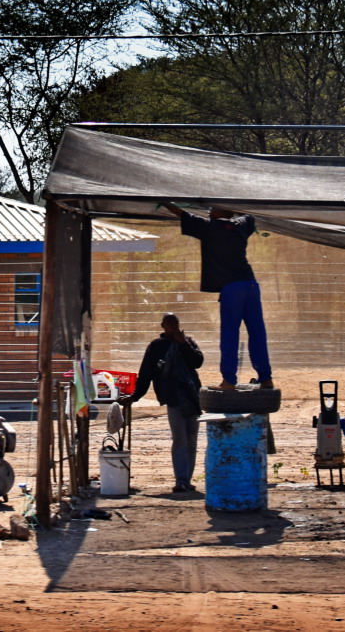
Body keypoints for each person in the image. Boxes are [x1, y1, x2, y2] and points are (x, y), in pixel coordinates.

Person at [163, 203, 272, 390]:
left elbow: (182, 213)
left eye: (214, 207)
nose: (209, 209)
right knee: (257, 333)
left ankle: (229, 381)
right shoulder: (241, 225)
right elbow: (248, 215)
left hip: (232, 289)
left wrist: (165, 202)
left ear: (223, 211)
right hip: (251, 285)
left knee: (230, 335)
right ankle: (266, 379)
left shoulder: (208, 227)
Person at [124, 313, 204, 492]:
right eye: (169, 324)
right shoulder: (156, 346)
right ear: (163, 326)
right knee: (180, 438)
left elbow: (197, 362)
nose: (172, 327)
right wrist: (135, 396)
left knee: (192, 439)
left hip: (192, 397)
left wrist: (183, 344)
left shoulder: (188, 342)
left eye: (175, 323)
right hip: (173, 398)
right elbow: (145, 374)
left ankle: (187, 479)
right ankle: (181, 480)